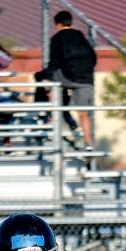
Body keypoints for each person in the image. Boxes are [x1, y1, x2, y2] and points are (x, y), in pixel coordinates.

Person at [38, 10, 96, 148]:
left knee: (44, 79)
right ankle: (89, 145)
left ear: (57, 24)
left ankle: (51, 114)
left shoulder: (57, 38)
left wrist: (45, 78)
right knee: (84, 115)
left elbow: (54, 63)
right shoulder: (81, 37)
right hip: (86, 78)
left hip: (68, 76)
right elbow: (93, 57)